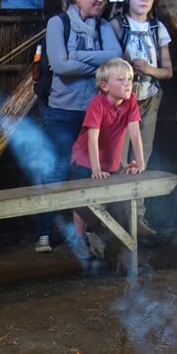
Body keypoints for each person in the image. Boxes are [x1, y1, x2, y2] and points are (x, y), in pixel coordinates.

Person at [33, 0, 122, 253]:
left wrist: (77, 58)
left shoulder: (104, 27)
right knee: (56, 170)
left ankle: (82, 235)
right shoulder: (58, 24)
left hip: (92, 114)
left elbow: (116, 56)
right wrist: (98, 65)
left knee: (86, 172)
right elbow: (60, 66)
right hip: (60, 112)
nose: (101, 0)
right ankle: (43, 233)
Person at [110, 0, 172, 235]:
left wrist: (149, 69)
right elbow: (108, 66)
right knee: (118, 160)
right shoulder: (116, 26)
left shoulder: (158, 29)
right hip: (122, 103)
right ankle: (119, 219)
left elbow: (167, 71)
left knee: (141, 158)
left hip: (149, 99)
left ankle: (138, 218)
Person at [68, 58, 145, 253]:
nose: (127, 83)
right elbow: (92, 138)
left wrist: (140, 163)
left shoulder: (132, 102)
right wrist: (95, 169)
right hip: (85, 160)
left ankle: (101, 240)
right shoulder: (97, 104)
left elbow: (135, 133)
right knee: (82, 201)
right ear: (104, 86)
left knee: (107, 202)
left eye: (130, 78)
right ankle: (79, 239)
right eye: (121, 79)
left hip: (109, 161)